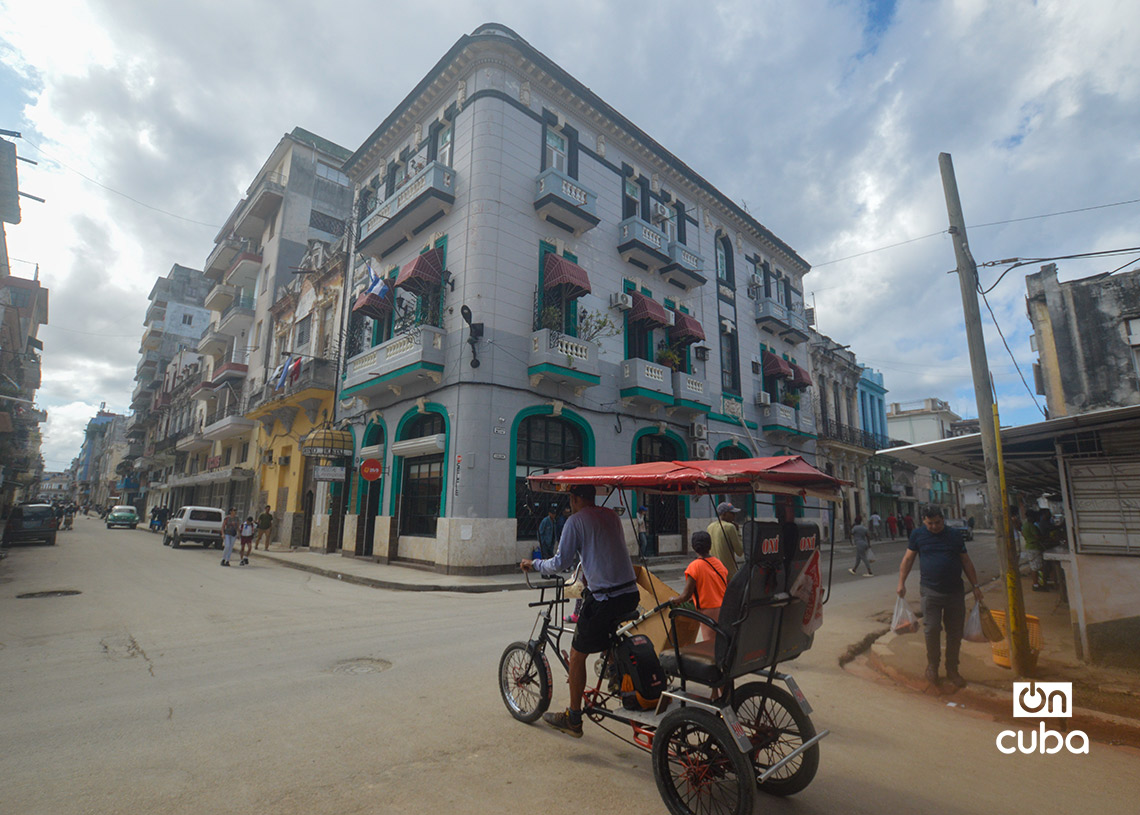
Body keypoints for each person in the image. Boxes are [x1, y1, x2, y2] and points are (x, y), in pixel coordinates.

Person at [520, 484, 638, 738]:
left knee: (577, 654)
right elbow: (602, 551)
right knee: (606, 634)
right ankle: (616, 673)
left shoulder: (575, 521)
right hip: (630, 594)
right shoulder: (611, 516)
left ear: (573, 499)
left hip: (607, 599)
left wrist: (535, 563)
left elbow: (561, 562)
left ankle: (573, 718)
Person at [897, 505, 984, 689]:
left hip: (955, 592)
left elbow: (966, 561)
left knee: (955, 632)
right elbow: (908, 559)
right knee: (932, 629)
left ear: (943, 520)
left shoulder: (954, 535)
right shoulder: (918, 535)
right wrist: (901, 583)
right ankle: (932, 667)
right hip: (930, 592)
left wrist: (975, 586)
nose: (934, 527)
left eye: (937, 523)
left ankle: (952, 669)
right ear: (924, 521)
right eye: (930, 523)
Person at [671, 530, 728, 641]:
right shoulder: (718, 562)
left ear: (693, 547)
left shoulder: (694, 566)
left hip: (708, 610)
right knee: (721, 641)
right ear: (710, 546)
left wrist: (673, 599)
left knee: (710, 644)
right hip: (724, 608)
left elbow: (685, 595)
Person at [707, 502, 744, 580]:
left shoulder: (710, 527)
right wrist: (738, 532)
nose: (734, 516)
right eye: (731, 513)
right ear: (723, 514)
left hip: (714, 571)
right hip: (728, 573)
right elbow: (740, 551)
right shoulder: (730, 527)